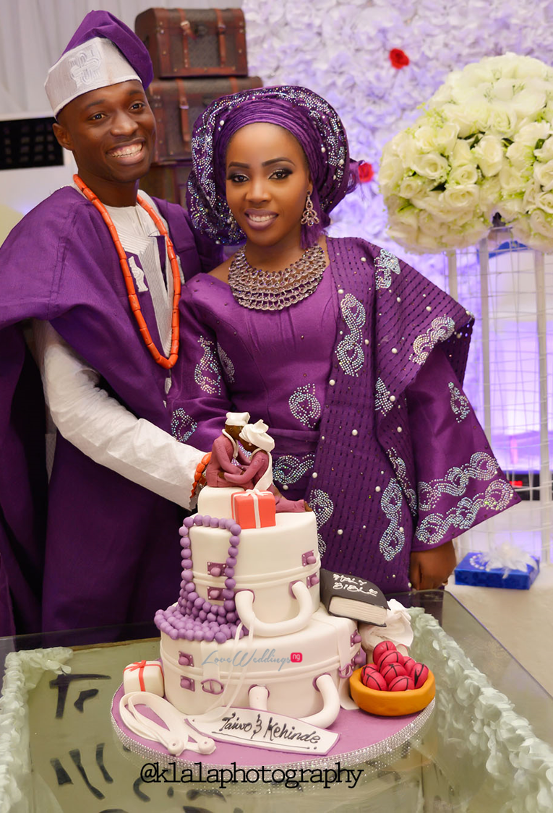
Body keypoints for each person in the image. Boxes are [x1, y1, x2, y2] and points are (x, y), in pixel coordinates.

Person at [167, 86, 520, 594]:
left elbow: (432, 401)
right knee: (284, 663)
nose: (257, 193)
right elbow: (196, 415)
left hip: (378, 513)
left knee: (389, 665)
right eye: (238, 177)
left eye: (279, 173)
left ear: (312, 177)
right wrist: (229, 468)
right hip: (262, 523)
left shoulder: (367, 270)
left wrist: (436, 532)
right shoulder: (203, 297)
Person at [0, 12, 222, 636]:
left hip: (197, 485)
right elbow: (74, 408)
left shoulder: (177, 224)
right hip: (106, 492)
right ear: (64, 135)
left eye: (135, 105)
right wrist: (190, 471)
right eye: (98, 115)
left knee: (200, 664)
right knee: (107, 667)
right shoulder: (56, 235)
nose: (126, 126)